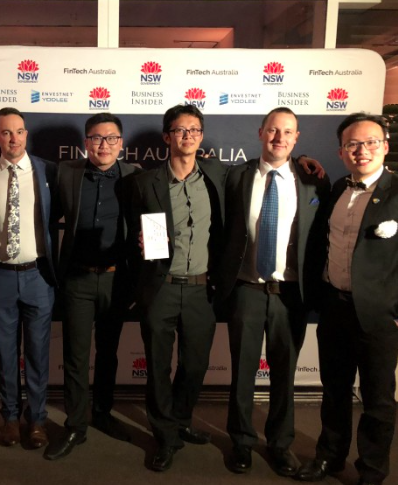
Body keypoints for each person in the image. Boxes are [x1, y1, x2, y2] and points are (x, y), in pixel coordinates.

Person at [296, 112, 398, 485]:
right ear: (341, 152)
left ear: (386, 147)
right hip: (334, 308)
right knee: (334, 391)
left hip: (380, 316)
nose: (362, 150)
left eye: (371, 142)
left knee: (377, 399)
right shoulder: (338, 188)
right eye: (352, 144)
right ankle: (330, 457)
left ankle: (372, 471)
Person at [218, 107, 330, 476]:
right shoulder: (236, 176)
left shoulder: (314, 182)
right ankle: (241, 441)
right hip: (247, 290)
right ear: (260, 132)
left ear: (296, 138)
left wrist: (305, 161)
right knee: (242, 371)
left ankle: (280, 444)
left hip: (291, 294)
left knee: (284, 374)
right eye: (272, 130)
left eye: (287, 132)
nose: (279, 138)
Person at [129, 104, 226, 472]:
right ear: (167, 136)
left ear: (201, 136)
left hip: (202, 289)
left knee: (196, 364)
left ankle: (181, 419)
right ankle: (165, 436)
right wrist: (139, 242)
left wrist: (305, 161)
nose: (188, 136)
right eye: (180, 130)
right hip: (161, 288)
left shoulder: (218, 174)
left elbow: (260, 169)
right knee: (157, 367)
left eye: (194, 130)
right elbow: (130, 231)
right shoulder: (145, 182)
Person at [44, 113, 141, 461]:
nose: (104, 145)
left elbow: (151, 220)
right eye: (97, 138)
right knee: (75, 355)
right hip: (77, 279)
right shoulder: (66, 173)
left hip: (118, 280)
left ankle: (102, 413)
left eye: (111, 138)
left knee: (109, 353)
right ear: (86, 143)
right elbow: (45, 215)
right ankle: (75, 425)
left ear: (121, 143)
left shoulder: (136, 175)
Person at [0, 107, 58, 449]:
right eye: (6, 132)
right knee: (6, 354)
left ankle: (36, 420)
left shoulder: (46, 170)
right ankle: (9, 417)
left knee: (38, 354)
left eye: (19, 131)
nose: (14, 138)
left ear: (26, 134)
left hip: (38, 276)